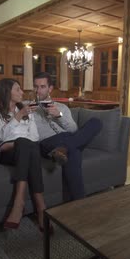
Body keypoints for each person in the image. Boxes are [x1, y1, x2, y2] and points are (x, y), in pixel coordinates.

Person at [0, 78, 50, 232]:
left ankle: (19, 203)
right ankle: (41, 207)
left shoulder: (25, 109)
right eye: (18, 89)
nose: (22, 92)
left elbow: (34, 136)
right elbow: (2, 135)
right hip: (8, 154)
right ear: (7, 92)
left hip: (25, 150)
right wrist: (18, 117)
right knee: (25, 144)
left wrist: (20, 140)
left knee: (27, 144)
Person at [31, 72, 102, 200]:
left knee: (96, 122)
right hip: (47, 142)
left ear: (50, 88)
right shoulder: (29, 106)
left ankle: (63, 148)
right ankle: (80, 203)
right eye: (36, 87)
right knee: (74, 150)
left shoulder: (61, 107)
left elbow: (73, 129)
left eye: (42, 87)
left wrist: (59, 116)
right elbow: (1, 108)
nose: (38, 90)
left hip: (67, 137)